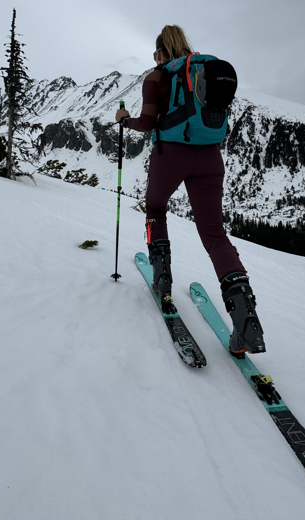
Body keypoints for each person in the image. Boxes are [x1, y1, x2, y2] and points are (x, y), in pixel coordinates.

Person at [114, 25, 265, 354]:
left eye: (155, 54)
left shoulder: (157, 77)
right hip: (210, 158)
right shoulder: (205, 72)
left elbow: (149, 122)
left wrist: (125, 120)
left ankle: (162, 277)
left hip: (170, 155)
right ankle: (245, 320)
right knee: (213, 232)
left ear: (159, 52)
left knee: (155, 208)